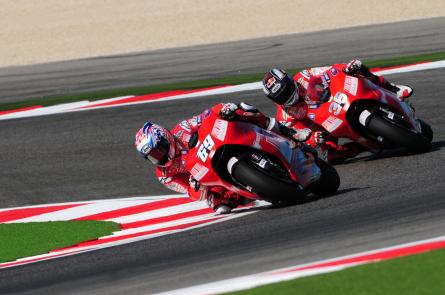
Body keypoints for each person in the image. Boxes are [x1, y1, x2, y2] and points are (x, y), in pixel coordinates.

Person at [134, 102, 312, 214]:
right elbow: (191, 193)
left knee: (243, 110)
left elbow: (207, 115)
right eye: (152, 157)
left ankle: (288, 131)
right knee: (218, 204)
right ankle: (246, 192)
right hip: (208, 174)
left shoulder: (182, 129)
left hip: (221, 144)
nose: (158, 157)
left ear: (165, 137)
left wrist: (224, 109)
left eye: (157, 151)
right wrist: (196, 186)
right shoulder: (165, 174)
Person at [262, 59, 413, 163]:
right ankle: (363, 146)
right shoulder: (284, 115)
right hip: (323, 128)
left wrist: (346, 68)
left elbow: (330, 70)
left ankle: (393, 88)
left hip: (332, 100)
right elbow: (295, 137)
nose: (287, 96)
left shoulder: (304, 76)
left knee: (358, 68)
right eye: (281, 96)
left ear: (290, 81)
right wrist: (312, 139)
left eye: (287, 90)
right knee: (331, 157)